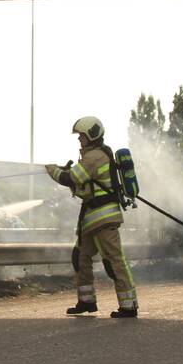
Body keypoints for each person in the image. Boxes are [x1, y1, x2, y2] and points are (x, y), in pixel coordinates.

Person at [45, 116, 139, 318]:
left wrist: (53, 171)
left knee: (114, 260)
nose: (79, 139)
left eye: (81, 136)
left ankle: (129, 305)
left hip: (103, 218)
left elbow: (72, 178)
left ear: (91, 135)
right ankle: (86, 301)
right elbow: (82, 180)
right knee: (81, 257)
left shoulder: (94, 156)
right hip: (92, 219)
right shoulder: (92, 156)